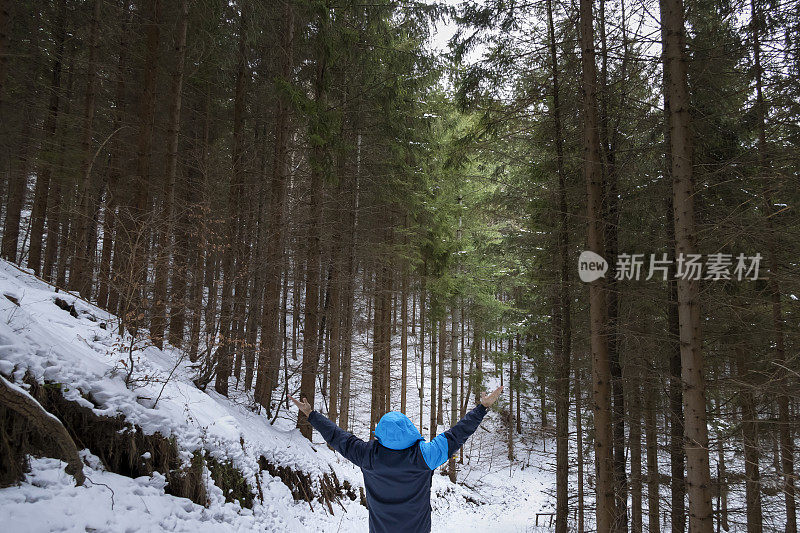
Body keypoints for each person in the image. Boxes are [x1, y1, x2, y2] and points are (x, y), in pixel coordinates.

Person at [289, 386, 503, 533]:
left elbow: (337, 437)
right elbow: (457, 434)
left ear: (379, 432)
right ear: (410, 429)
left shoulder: (367, 456)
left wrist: (311, 415)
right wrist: (481, 408)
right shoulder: (424, 456)